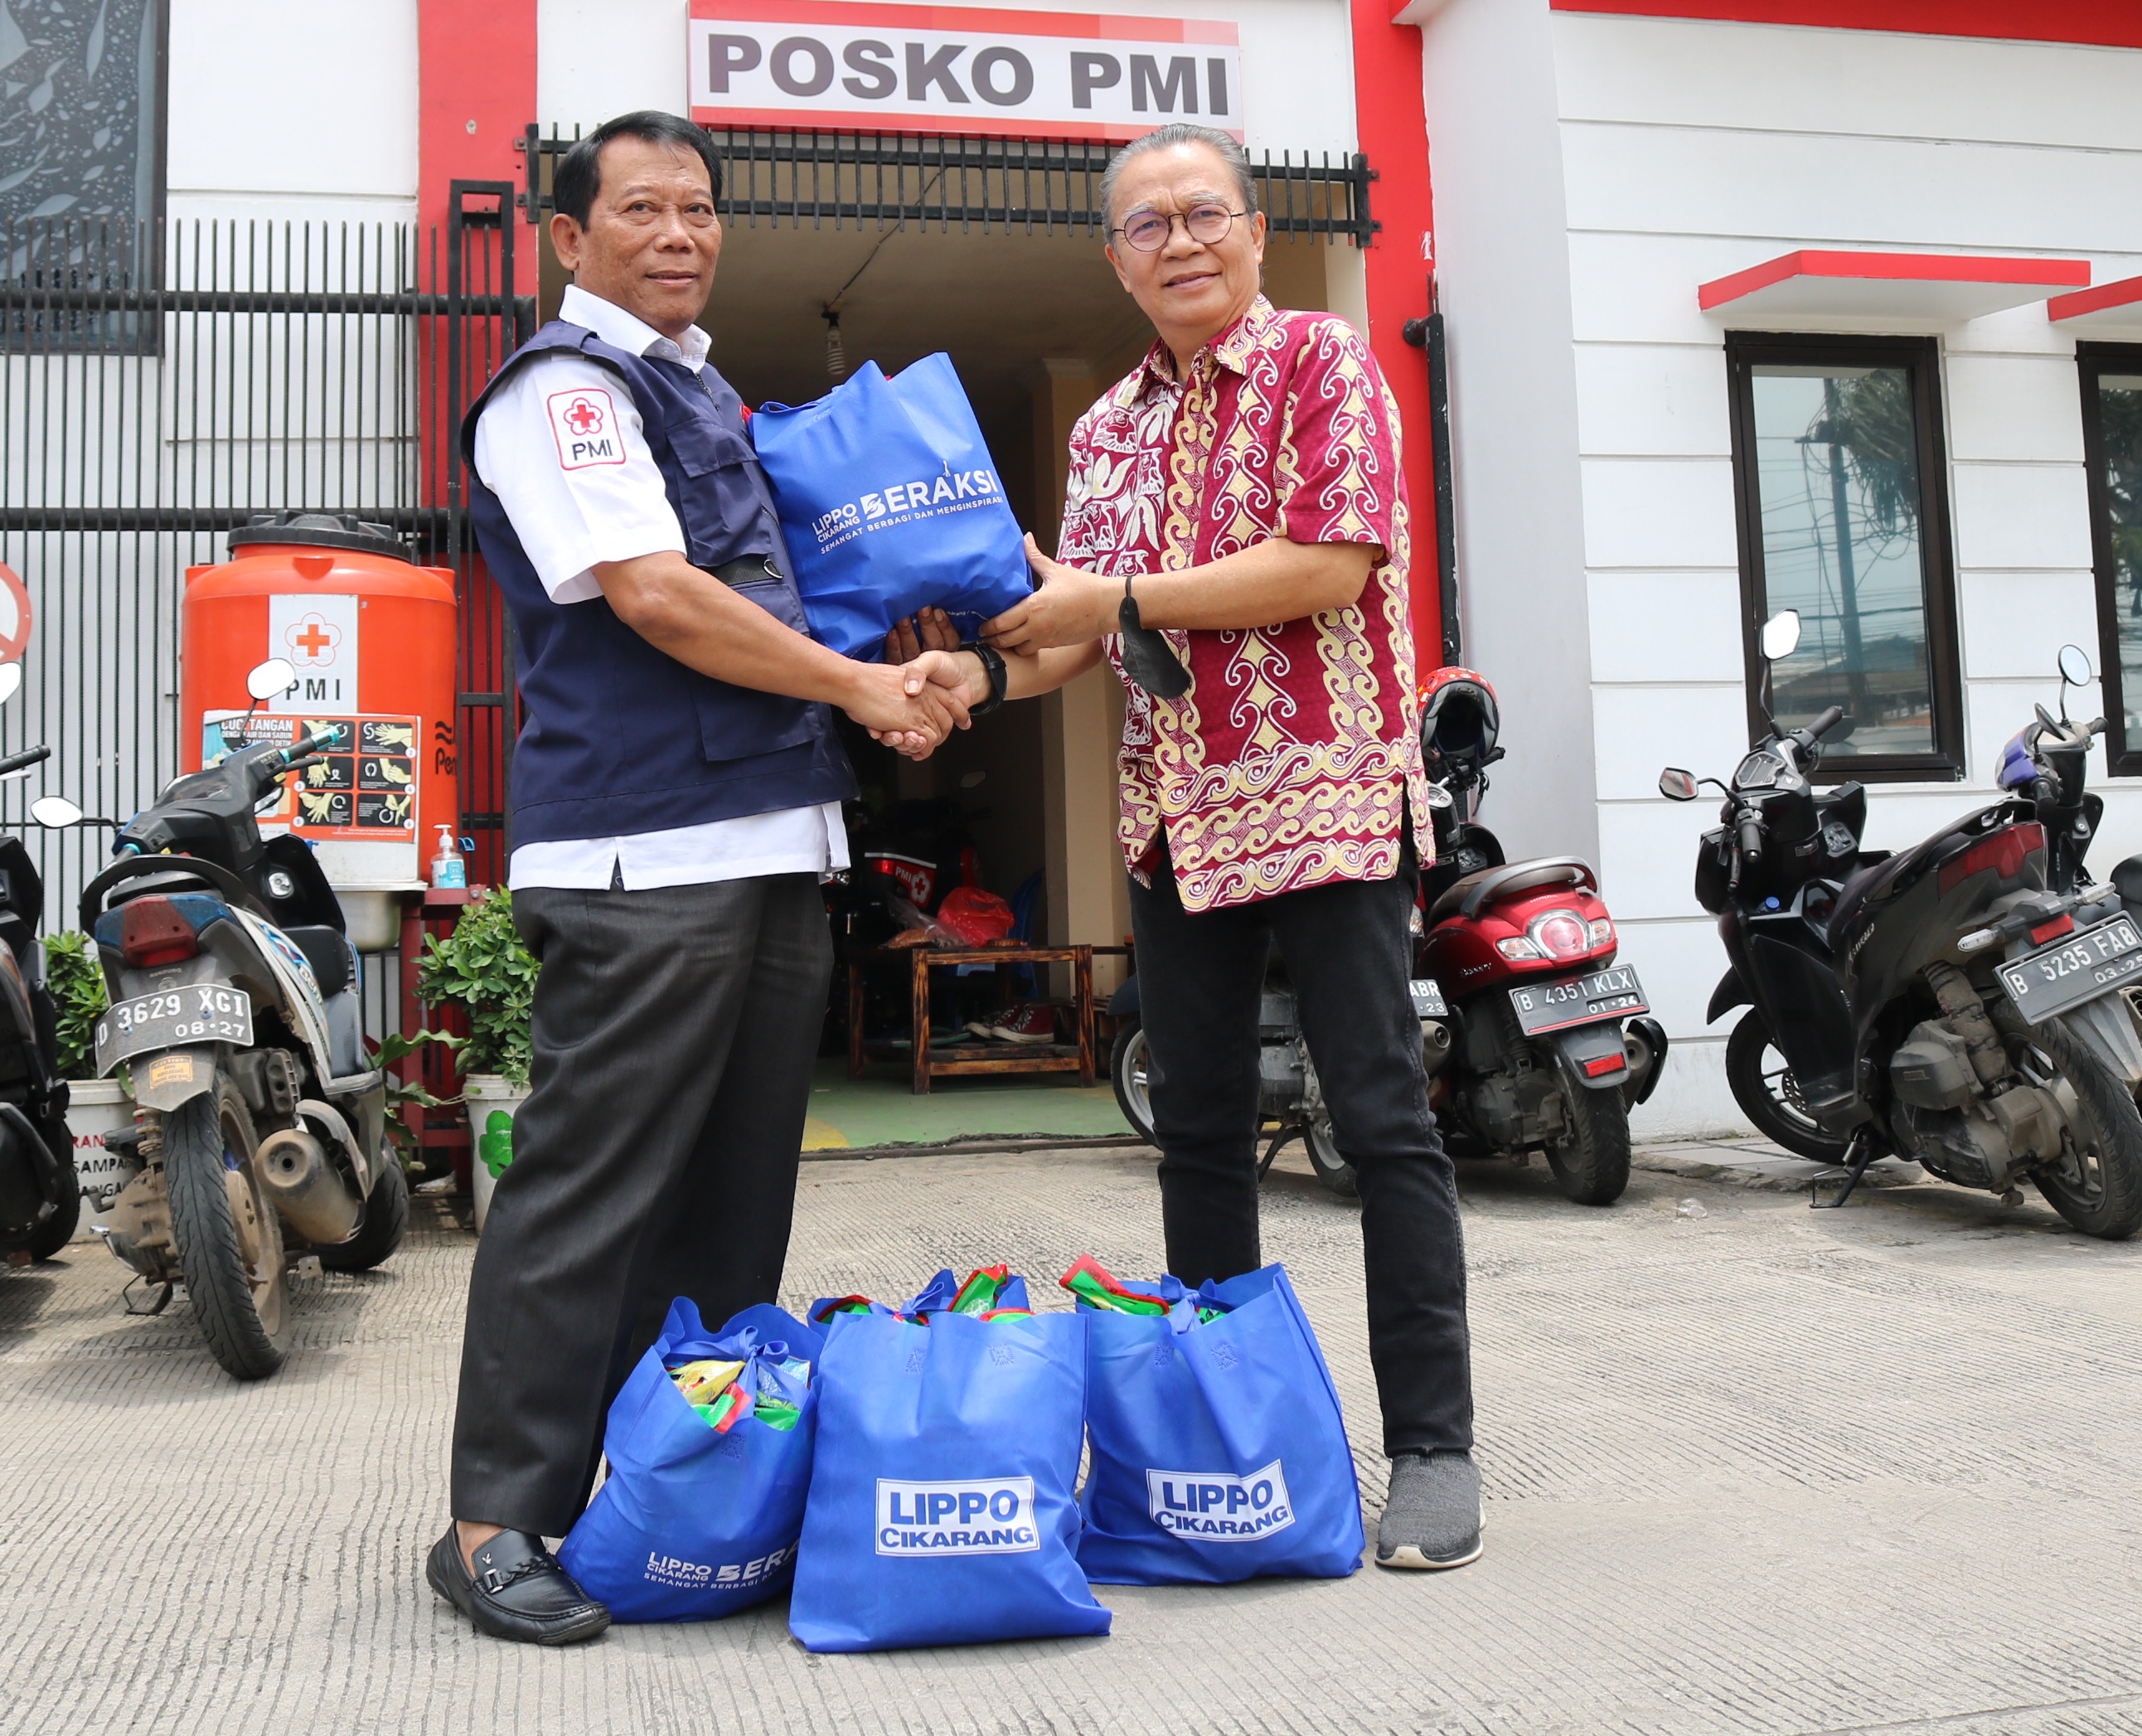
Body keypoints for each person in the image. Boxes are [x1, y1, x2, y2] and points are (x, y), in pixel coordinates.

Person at [910, 119, 1482, 1571]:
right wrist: (970, 678)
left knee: (1382, 1122)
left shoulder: (1325, 363)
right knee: (1199, 1139)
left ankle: (1432, 1452)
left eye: (1203, 214)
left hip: (1330, 792)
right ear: (1116, 260)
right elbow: (1081, 632)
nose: (1179, 242)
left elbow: (1326, 566)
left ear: (1255, 231)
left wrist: (1109, 600)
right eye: (1148, 225)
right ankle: (1233, 1442)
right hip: (1176, 819)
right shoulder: (1105, 428)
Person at [431, 110, 966, 1646]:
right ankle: (494, 1524)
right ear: (569, 237)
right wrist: (865, 695)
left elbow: (777, 594)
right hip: (640, 857)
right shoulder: (567, 395)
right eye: (645, 208)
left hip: (770, 846)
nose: (680, 233)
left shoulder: (708, 394)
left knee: (731, 1212)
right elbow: (658, 598)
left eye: (701, 208)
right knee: (591, 1196)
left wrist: (905, 667)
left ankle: (683, 1500)